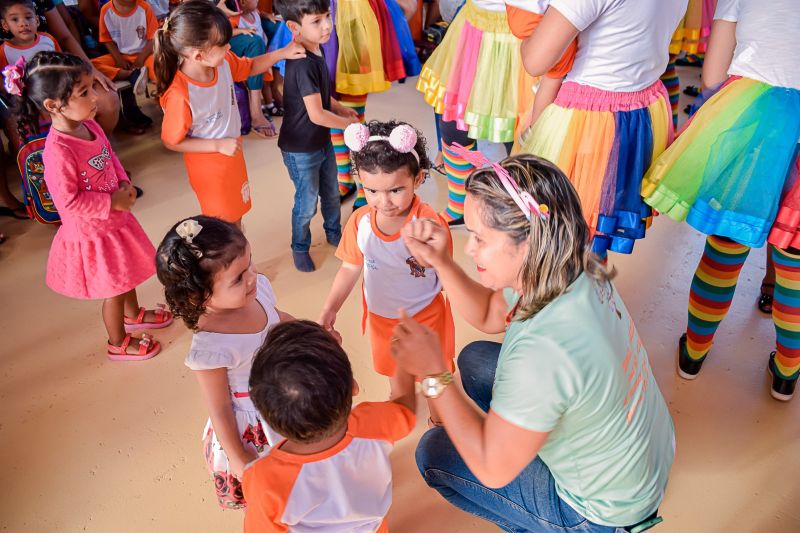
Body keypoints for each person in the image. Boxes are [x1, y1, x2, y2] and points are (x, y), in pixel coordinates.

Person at [392, 153, 675, 532]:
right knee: (475, 359)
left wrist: (432, 375)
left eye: (479, 237)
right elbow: (492, 314)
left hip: (600, 513)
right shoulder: (572, 262)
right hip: (636, 464)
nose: (470, 248)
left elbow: (492, 469)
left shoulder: (542, 352)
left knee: (434, 451)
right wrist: (442, 263)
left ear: (526, 245)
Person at [641, 0, 800, 401]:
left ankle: (693, 353)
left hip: (753, 122)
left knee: (725, 248)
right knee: (796, 264)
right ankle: (786, 372)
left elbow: (711, 75)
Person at [7, 51, 172, 360]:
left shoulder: (90, 124)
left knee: (127, 273)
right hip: (94, 233)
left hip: (115, 221)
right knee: (113, 290)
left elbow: (110, 157)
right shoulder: (57, 152)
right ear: (53, 105)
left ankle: (133, 314)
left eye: (92, 87)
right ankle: (117, 341)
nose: (95, 97)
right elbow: (67, 203)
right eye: (84, 92)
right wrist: (111, 202)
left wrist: (123, 183)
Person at [515, 0, 686, 257]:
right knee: (593, 228)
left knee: (555, 230)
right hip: (640, 111)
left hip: (588, 122)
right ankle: (591, 290)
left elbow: (535, 60)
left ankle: (562, 292)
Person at [155, 216, 293, 509]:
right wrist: (239, 457)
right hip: (255, 426)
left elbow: (279, 320)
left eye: (250, 263)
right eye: (238, 278)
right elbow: (219, 407)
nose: (253, 277)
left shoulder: (258, 293)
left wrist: (315, 336)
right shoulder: (212, 346)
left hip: (286, 396)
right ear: (198, 296)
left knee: (299, 472)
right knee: (270, 490)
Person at [320, 120, 454, 404]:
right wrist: (331, 307)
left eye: (395, 190)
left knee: (435, 377)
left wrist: (426, 254)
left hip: (426, 316)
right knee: (395, 374)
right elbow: (350, 267)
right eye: (372, 191)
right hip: (382, 320)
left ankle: (441, 414)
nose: (384, 201)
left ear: (418, 180)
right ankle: (401, 405)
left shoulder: (428, 222)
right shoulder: (360, 221)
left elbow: (444, 270)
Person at [243, 320, 416, 532]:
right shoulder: (372, 424)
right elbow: (405, 406)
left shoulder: (264, 479)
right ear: (353, 387)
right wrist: (402, 361)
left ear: (269, 420)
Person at [155, 0, 304, 228]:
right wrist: (217, 146)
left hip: (230, 152)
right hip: (210, 165)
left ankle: (240, 253)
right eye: (223, 44)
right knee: (224, 220)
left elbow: (250, 67)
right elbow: (171, 141)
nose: (229, 48)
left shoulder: (221, 62)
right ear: (198, 55)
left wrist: (282, 53)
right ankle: (238, 259)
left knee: (235, 213)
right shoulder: (181, 94)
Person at [416, 0, 536, 224]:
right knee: (452, 126)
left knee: (518, 135)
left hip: (518, 36)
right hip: (472, 29)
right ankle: (459, 204)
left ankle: (524, 208)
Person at [273, 0, 358, 272]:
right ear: (293, 28)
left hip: (321, 143)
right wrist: (347, 125)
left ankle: (334, 233)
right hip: (300, 149)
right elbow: (316, 115)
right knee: (307, 202)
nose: (326, 25)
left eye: (327, 17)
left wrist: (339, 107)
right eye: (317, 21)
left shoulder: (316, 51)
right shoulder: (301, 64)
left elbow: (321, 98)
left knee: (332, 193)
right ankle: (300, 246)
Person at [91, 0, 157, 128]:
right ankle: (131, 75)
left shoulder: (144, 7)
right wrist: (118, 59)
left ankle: (160, 95)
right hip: (120, 56)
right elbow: (107, 40)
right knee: (92, 65)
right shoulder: (106, 10)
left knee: (160, 64)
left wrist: (140, 60)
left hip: (145, 54)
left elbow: (153, 39)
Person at [227, 0, 278, 137]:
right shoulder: (236, 17)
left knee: (279, 27)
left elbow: (258, 13)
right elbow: (225, 29)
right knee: (255, 42)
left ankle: (276, 93)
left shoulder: (254, 12)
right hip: (219, 29)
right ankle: (256, 113)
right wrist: (241, 30)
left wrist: (267, 15)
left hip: (249, 27)